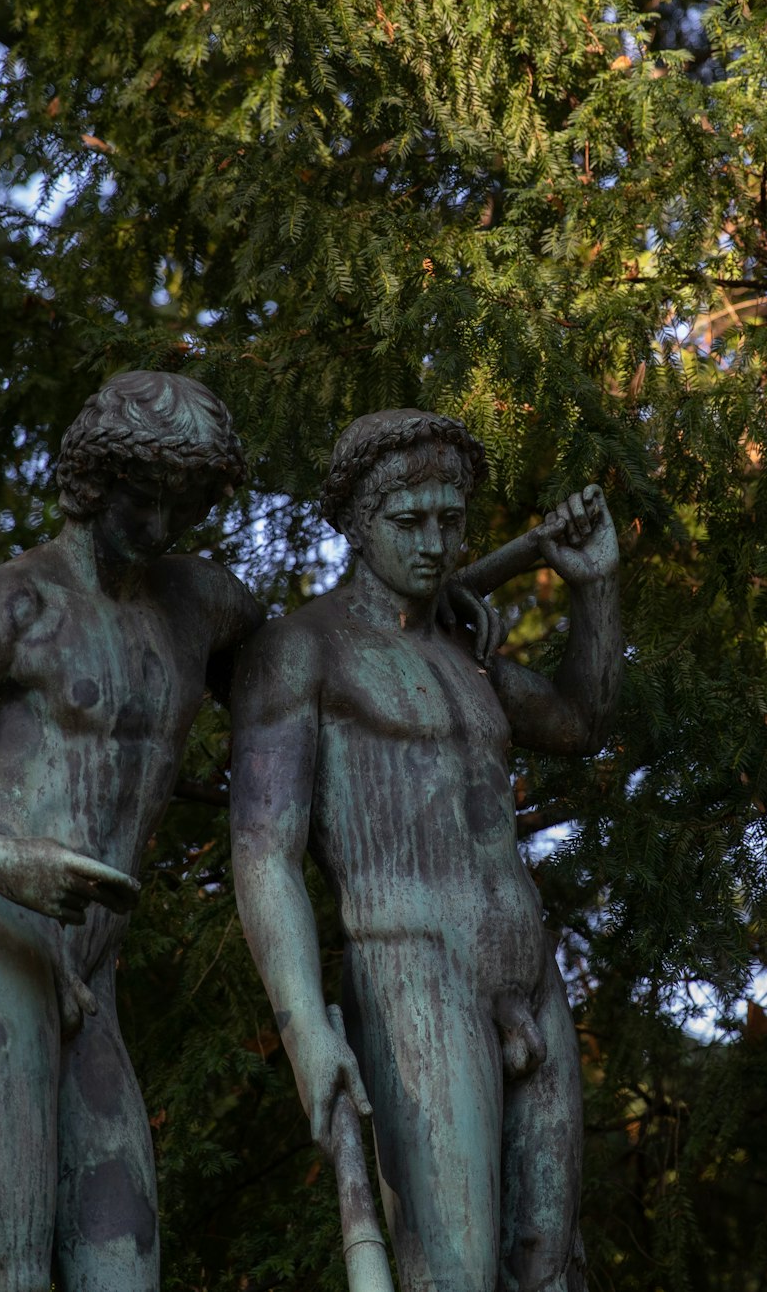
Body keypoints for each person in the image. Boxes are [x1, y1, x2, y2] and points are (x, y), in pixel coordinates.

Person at [230, 408, 621, 1292]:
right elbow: (263, 851)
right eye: (410, 524)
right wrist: (302, 1031)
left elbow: (581, 721)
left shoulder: (464, 653)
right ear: (356, 525)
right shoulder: (302, 651)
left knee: (547, 1266)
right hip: (412, 969)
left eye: (451, 521)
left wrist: (596, 590)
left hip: (528, 972)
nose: (436, 544)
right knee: (453, 1270)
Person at [0, 371, 262, 1292]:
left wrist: (446, 600)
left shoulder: (198, 604)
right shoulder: (12, 605)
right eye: (144, 501)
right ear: (91, 484)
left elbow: (316, 660)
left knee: (123, 1260)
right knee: (5, 1262)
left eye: (184, 504)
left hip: (91, 972)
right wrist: (5, 862)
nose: (162, 526)